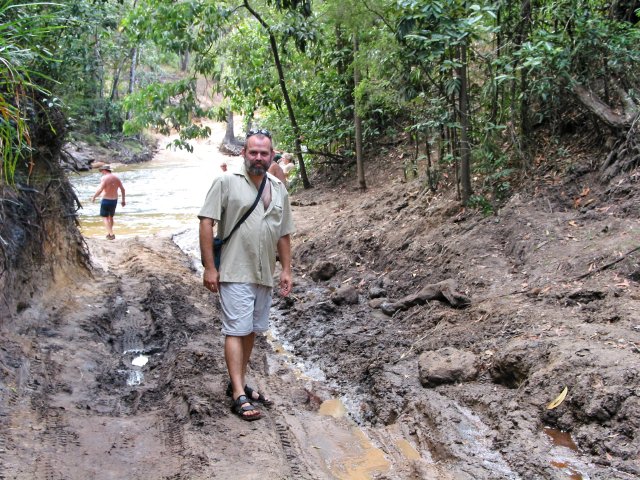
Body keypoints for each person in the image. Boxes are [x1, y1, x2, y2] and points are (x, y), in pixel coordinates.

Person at [198, 129, 294, 421]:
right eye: (253, 152)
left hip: (263, 271)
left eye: (264, 153)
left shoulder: (278, 187)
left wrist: (287, 269)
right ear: (243, 153)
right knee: (235, 329)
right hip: (234, 269)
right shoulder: (226, 182)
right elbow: (206, 223)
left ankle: (236, 381)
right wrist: (209, 267)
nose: (258, 157)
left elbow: (283, 233)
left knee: (251, 329)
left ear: (272, 155)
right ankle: (239, 393)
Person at [91, 165, 125, 240]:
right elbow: (123, 189)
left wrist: (94, 197)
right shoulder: (117, 178)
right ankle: (109, 233)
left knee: (104, 217)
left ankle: (112, 234)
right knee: (111, 217)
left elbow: (100, 189)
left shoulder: (104, 178)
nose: (101, 172)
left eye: (101, 171)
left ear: (105, 170)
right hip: (114, 200)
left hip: (106, 199)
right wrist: (123, 200)